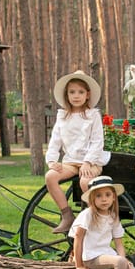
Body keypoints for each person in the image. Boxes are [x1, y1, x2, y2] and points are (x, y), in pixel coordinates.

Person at [46, 70, 110, 234]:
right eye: (72, 92)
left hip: (91, 161)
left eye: (80, 92)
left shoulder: (92, 115)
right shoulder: (63, 116)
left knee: (85, 182)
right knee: (51, 176)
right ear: (66, 95)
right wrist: (52, 160)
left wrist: (88, 162)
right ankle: (67, 216)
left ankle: (95, 217)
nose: (76, 96)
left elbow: (97, 141)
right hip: (70, 162)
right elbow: (55, 139)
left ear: (87, 95)